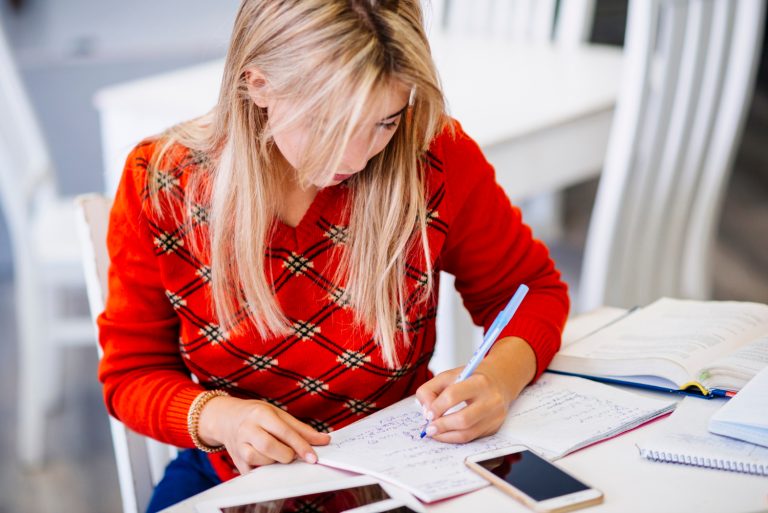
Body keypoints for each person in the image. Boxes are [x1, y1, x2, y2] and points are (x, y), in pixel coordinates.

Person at [97, 1, 570, 511]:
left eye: (385, 122)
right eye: (328, 125)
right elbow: (132, 373)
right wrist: (221, 419)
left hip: (402, 463)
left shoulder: (432, 157)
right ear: (258, 86)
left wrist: (497, 379)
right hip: (235, 475)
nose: (356, 156)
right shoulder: (163, 184)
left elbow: (530, 292)